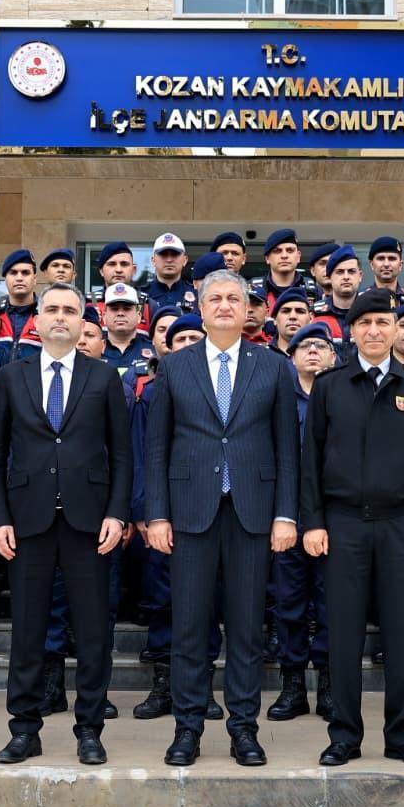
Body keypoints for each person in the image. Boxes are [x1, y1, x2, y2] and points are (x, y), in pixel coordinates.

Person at [145, 269, 300, 766]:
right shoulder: (175, 366)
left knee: (247, 629)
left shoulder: (273, 366)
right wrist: (157, 515)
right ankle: (187, 728)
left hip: (253, 513)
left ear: (249, 307)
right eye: (216, 298)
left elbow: (287, 449)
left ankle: (243, 730)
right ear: (200, 305)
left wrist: (286, 515)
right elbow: (157, 447)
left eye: (235, 298)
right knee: (190, 628)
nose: (226, 306)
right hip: (190, 513)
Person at [0, 283, 132, 765]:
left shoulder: (103, 376)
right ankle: (24, 729)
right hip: (27, 521)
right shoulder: (12, 376)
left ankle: (90, 729)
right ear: (38, 320)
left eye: (71, 310)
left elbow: (123, 454)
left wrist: (117, 513)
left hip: (90, 522)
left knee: (92, 633)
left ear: (84, 321)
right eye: (53, 309)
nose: (61, 317)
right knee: (27, 631)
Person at [300, 289, 404, 767]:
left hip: (402, 525)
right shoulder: (330, 387)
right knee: (343, 634)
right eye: (365, 323)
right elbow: (310, 461)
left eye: (383, 322)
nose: (375, 331)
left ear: (397, 329)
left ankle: (402, 735)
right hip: (343, 524)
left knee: (402, 634)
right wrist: (313, 521)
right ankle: (344, 735)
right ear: (352, 331)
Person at [128, 311, 223, 721]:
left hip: (209, 510)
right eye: (177, 339)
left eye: (193, 339)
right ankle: (165, 684)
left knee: (207, 599)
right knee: (163, 599)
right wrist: (145, 511)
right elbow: (141, 454)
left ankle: (201, 686)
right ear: (164, 347)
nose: (185, 345)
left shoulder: (222, 389)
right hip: (164, 513)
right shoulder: (151, 392)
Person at [265, 322, 336, 722]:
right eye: (303, 346)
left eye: (320, 345)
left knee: (330, 604)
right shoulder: (278, 399)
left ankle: (328, 684)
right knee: (289, 603)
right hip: (287, 516)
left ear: (333, 355)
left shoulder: (342, 396)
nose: (312, 351)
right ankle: (292, 685)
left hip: (333, 517)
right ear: (290, 358)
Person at [0, 249, 40, 367]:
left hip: (32, 379)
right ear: (5, 279)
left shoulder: (46, 313)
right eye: (13, 273)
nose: (19, 278)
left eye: (25, 273)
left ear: (35, 279)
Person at [253, 228, 319, 307]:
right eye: (277, 251)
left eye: (290, 250)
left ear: (298, 256)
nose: (284, 256)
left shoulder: (313, 289)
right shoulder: (253, 288)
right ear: (267, 258)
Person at [101, 281, 157, 373]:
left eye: (127, 309)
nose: (120, 313)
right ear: (104, 317)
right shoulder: (93, 350)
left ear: (139, 316)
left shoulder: (154, 351)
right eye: (114, 309)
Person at [146, 232, 197, 312]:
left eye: (174, 254)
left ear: (185, 260)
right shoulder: (141, 295)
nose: (169, 260)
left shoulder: (197, 294)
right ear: (153, 261)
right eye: (163, 254)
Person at [367, 236, 404, 303]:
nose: (386, 264)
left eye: (392, 258)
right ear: (372, 264)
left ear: (400, 265)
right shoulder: (360, 300)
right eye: (381, 258)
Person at [270, 287, 313, 354]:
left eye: (300, 311)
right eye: (286, 311)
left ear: (311, 318)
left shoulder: (321, 354)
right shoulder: (260, 355)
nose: (293, 316)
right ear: (275, 319)